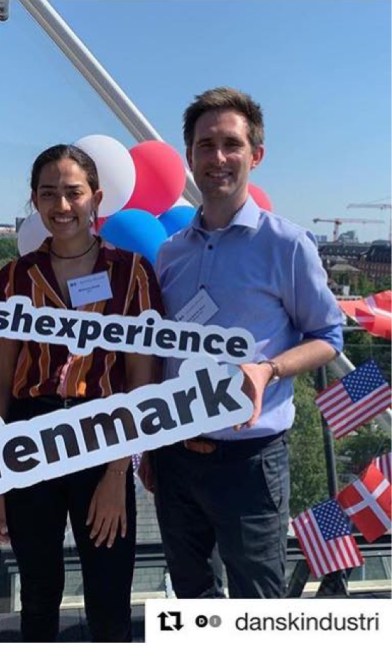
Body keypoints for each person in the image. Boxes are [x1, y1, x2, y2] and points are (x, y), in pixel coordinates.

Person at [140, 87, 343, 598]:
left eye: (231, 144)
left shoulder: (287, 244)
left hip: (250, 461)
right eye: (205, 145)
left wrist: (269, 370)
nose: (218, 158)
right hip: (175, 454)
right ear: (189, 156)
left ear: (256, 154)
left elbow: (328, 336)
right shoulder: (170, 253)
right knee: (192, 596)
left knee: (258, 601)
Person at [0, 144, 163, 641]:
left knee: (109, 593)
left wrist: (116, 471)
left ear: (96, 198)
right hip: (29, 434)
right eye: (48, 194)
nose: (62, 206)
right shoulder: (15, 277)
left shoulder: (131, 273)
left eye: (73, 193)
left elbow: (141, 379)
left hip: (102, 435)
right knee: (38, 593)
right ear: (34, 202)